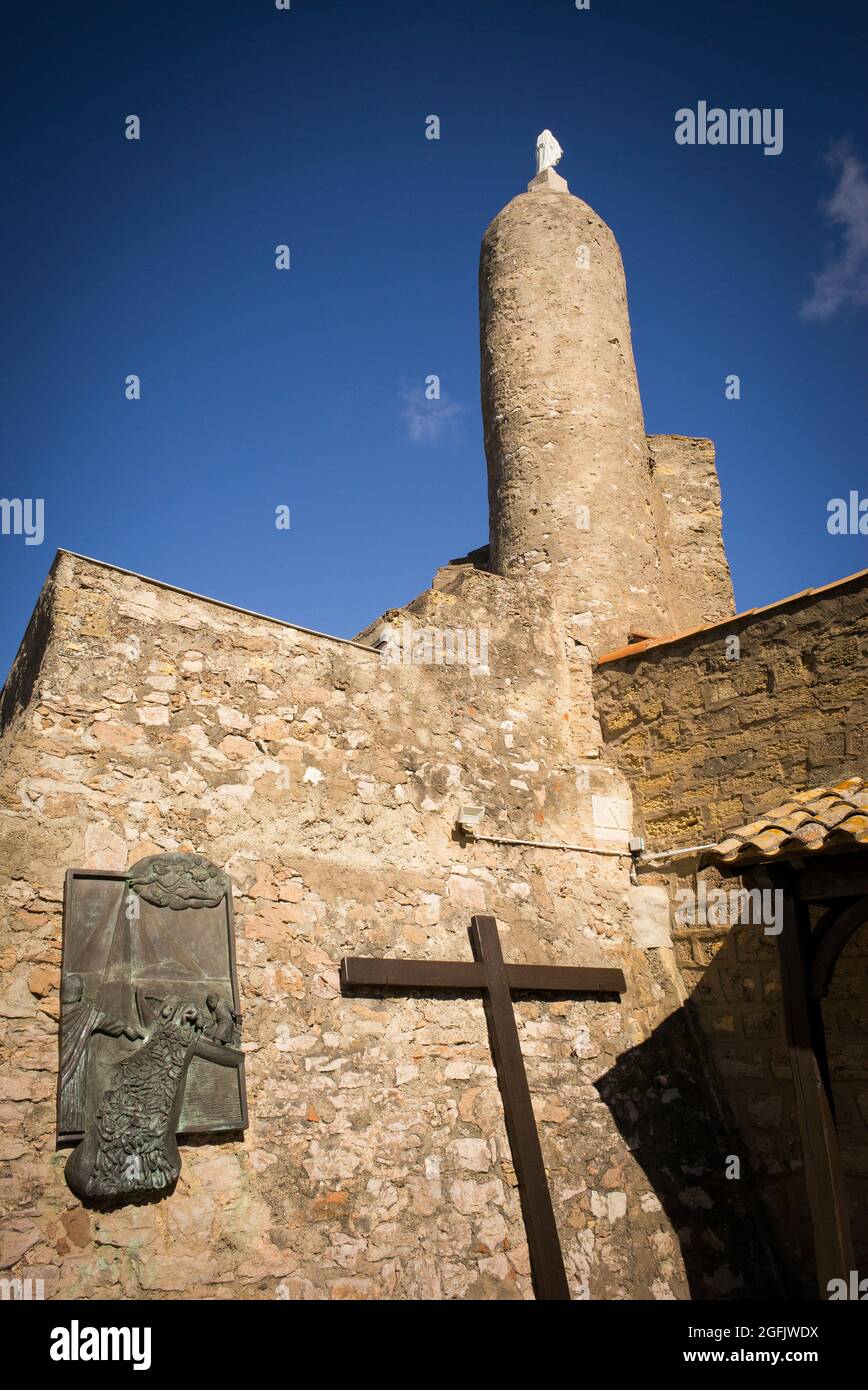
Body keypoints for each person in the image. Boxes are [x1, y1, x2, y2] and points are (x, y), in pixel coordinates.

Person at [58, 973, 143, 1132]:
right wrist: (129, 1029)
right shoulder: (86, 1012)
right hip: (76, 1064)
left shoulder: (57, 1011)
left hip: (59, 1066)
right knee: (73, 1091)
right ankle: (70, 1125)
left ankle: (65, 1126)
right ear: (81, 994)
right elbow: (108, 1022)